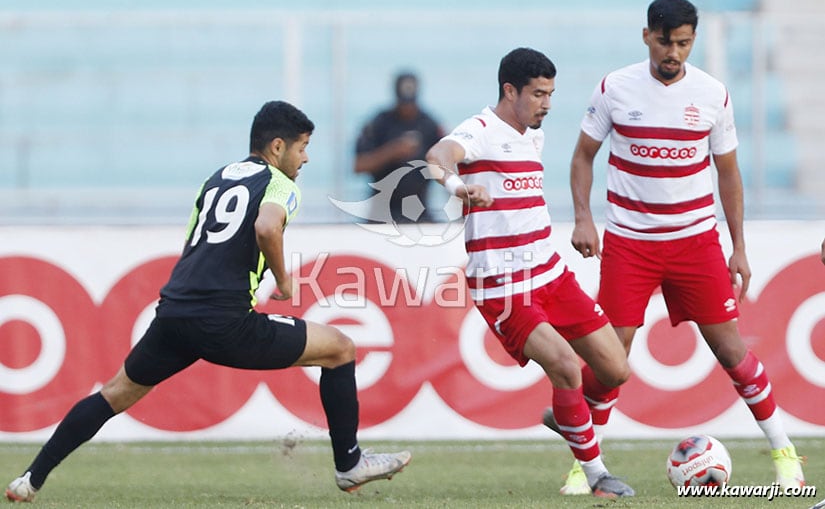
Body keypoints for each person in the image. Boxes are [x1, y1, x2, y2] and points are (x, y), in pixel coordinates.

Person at [5, 101, 411, 503]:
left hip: (175, 314)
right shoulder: (280, 184)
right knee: (341, 349)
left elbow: (195, 245)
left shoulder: (215, 180)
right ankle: (349, 464)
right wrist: (284, 281)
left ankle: (31, 478)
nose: (305, 158)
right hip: (225, 321)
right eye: (302, 146)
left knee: (113, 393)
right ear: (276, 147)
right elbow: (267, 226)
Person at [547, 0, 805, 495]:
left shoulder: (712, 94)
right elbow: (583, 157)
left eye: (684, 43)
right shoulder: (615, 88)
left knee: (731, 350)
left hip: (695, 244)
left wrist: (740, 247)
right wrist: (584, 218)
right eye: (666, 41)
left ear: (693, 41)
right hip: (630, 243)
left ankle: (785, 455)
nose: (674, 52)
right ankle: (586, 465)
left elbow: (728, 175)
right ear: (647, 35)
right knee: (610, 357)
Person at [425, 47, 635, 499]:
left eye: (551, 93)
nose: (547, 103)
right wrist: (458, 185)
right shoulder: (481, 129)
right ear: (509, 90)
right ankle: (597, 475)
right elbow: (437, 155)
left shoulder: (532, 137)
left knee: (616, 369)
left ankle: (568, 417)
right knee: (563, 365)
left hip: (549, 271)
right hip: (503, 283)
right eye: (538, 94)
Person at [354, 71, 446, 222]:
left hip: (420, 213)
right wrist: (392, 151)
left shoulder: (429, 125)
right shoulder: (379, 123)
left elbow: (447, 167)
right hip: (381, 214)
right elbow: (358, 165)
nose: (407, 109)